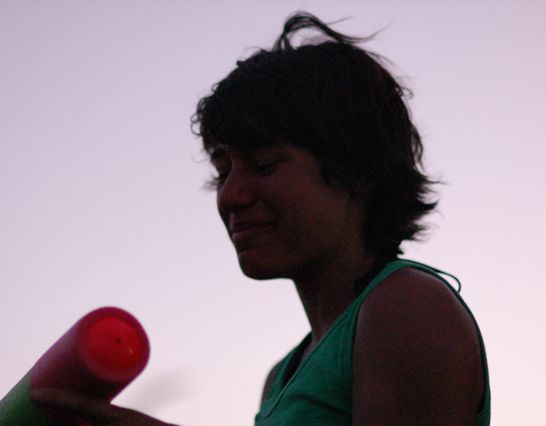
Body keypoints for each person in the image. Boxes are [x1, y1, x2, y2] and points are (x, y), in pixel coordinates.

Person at [32, 11, 490, 425]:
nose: (231, 196)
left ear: (357, 171)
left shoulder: (407, 308)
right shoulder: (280, 377)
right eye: (222, 171)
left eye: (265, 164)